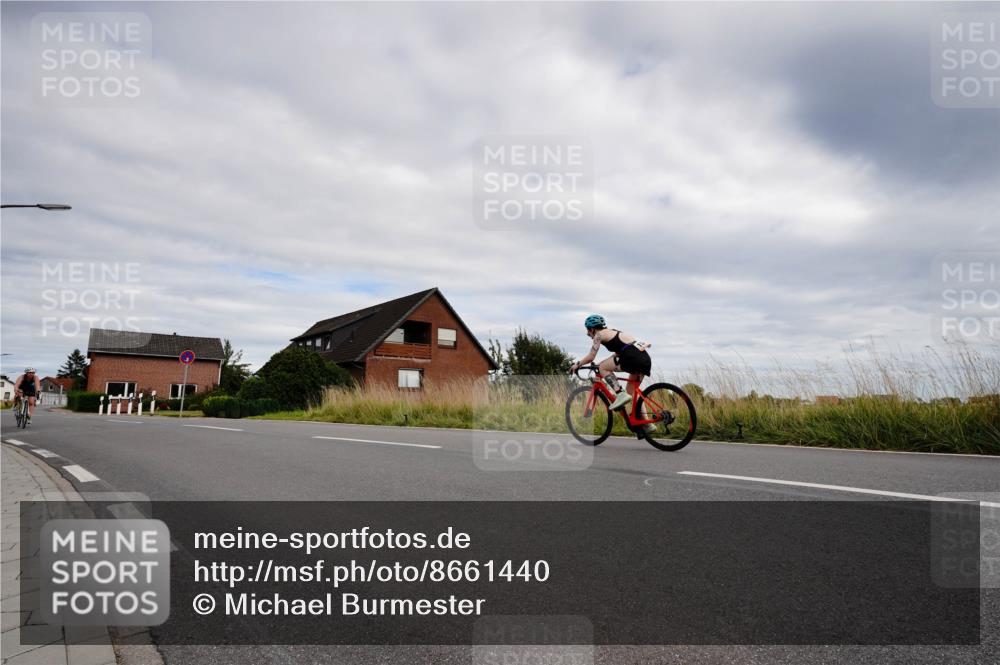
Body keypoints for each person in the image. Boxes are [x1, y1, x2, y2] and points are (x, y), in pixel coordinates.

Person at [570, 315, 654, 430]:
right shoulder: (613, 332)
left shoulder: (598, 335)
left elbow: (591, 356)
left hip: (631, 358)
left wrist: (578, 364)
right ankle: (647, 424)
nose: (588, 334)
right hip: (644, 359)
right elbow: (618, 354)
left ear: (592, 329)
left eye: (588, 330)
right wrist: (603, 363)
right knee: (633, 393)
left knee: (602, 368)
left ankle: (619, 393)